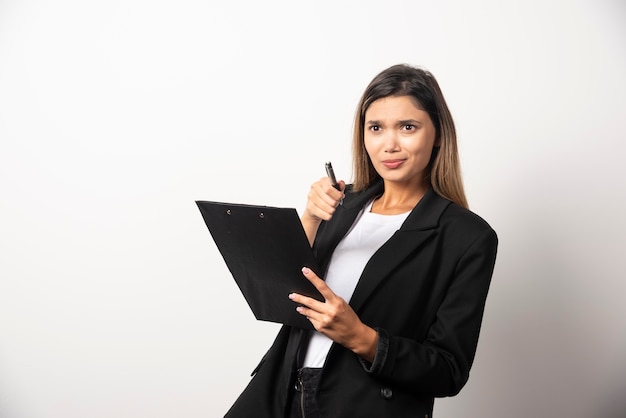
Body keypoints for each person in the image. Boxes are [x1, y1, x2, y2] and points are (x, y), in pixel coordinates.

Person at [224, 63, 498, 418]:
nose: (389, 144)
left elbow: (448, 371)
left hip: (361, 405)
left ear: (438, 134)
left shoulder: (467, 237)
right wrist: (308, 219)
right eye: (376, 128)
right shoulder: (341, 204)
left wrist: (361, 338)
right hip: (281, 393)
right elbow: (284, 297)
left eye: (408, 127)